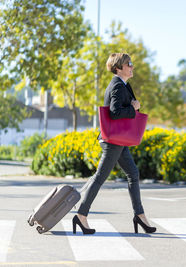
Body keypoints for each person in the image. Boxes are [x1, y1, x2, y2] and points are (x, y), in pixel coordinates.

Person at [72, 53, 156, 235]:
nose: (132, 67)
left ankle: (139, 216)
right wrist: (133, 109)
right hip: (113, 141)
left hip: (119, 139)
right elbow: (115, 112)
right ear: (118, 68)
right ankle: (81, 215)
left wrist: (133, 107)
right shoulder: (117, 85)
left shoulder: (124, 85)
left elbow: (125, 108)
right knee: (100, 178)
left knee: (133, 174)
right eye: (129, 64)